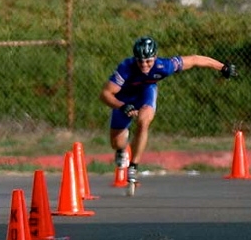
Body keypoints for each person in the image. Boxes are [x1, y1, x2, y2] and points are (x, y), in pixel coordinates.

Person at [99, 36, 237, 186]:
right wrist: (121, 106)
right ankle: (121, 150)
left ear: (156, 57)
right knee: (116, 143)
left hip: (146, 93)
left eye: (149, 61)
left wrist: (222, 67)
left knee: (144, 122)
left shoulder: (164, 66)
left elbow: (195, 59)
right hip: (123, 98)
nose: (144, 65)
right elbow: (105, 94)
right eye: (140, 61)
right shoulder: (126, 68)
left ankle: (133, 166)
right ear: (135, 59)